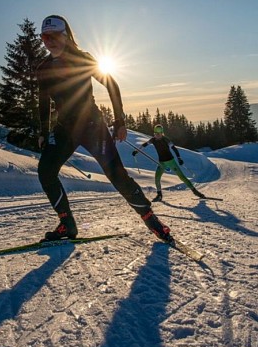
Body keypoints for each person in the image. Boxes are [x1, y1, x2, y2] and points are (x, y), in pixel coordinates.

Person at [36, 14, 172, 243]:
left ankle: (152, 221)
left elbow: (111, 84)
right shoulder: (44, 68)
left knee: (117, 176)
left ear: (66, 35)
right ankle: (67, 225)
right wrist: (42, 131)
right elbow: (42, 102)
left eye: (53, 35)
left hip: (93, 127)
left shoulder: (82, 59)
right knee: (45, 171)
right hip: (64, 130)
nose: (48, 40)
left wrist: (119, 121)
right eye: (44, 36)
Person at [132, 124, 205, 201]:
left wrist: (179, 158)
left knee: (182, 177)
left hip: (171, 161)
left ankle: (195, 191)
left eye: (159, 134)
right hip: (161, 163)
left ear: (162, 133)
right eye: (156, 134)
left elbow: (174, 148)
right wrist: (136, 151)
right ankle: (159, 195)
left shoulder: (166, 140)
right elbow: (144, 145)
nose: (157, 135)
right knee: (157, 178)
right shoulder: (153, 140)